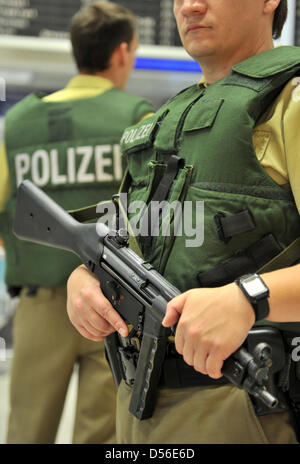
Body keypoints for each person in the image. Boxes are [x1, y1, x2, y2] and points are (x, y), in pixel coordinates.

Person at [66, 0, 300, 444]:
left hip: (242, 408)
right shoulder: (166, 120)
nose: (190, 5)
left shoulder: (290, 104)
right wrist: (84, 279)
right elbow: (128, 233)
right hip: (136, 404)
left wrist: (249, 298)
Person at [0, 1, 153, 444]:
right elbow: (153, 214)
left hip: (39, 306)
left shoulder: (20, 124)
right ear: (123, 52)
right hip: (113, 305)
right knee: (102, 434)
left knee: (27, 429)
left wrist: (28, 255)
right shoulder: (136, 119)